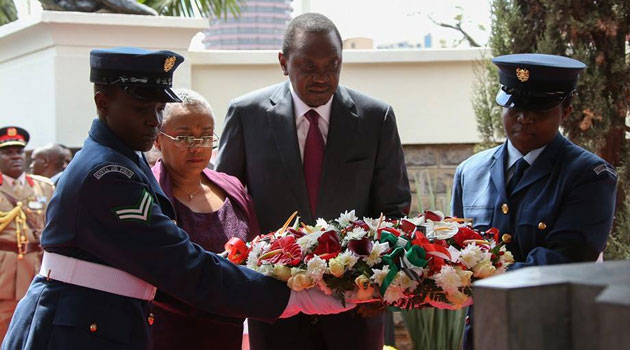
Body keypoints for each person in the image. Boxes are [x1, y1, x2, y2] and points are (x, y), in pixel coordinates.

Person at [2, 47, 353, 350]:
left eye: (158, 110)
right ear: (103, 102)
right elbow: (180, 264)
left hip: (100, 321)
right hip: (79, 330)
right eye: (142, 109)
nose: (154, 122)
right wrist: (292, 298)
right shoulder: (108, 174)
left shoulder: (122, 156)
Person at [216, 13, 411, 350]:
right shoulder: (247, 114)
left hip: (354, 307)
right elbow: (227, 203)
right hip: (274, 305)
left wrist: (381, 282)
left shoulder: (374, 118)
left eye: (332, 66)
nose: (322, 77)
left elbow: (393, 209)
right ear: (283, 62)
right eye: (308, 66)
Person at [451, 53, 618, 350]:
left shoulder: (589, 176)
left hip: (550, 334)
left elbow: (564, 262)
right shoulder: (470, 172)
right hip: (483, 333)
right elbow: (457, 249)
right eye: (514, 106)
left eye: (538, 107)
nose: (524, 116)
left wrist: (475, 279)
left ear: (566, 109)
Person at [150, 88, 259, 350]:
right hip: (165, 333)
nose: (197, 146)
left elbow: (258, 254)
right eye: (184, 136)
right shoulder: (148, 192)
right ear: (157, 140)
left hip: (228, 331)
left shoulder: (232, 188)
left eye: (206, 135)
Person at [0, 126, 54, 342]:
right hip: (4, 267)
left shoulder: (44, 188)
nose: (15, 156)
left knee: (35, 322)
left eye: (19, 151)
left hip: (36, 264)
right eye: (7, 152)